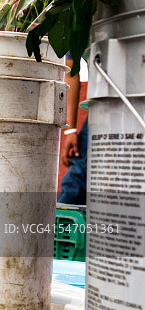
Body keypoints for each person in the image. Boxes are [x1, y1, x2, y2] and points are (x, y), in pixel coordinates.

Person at [58, 53, 87, 205]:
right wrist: (70, 130)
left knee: (77, 178)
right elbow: (71, 72)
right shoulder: (73, 29)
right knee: (79, 176)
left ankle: (55, 226)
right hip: (104, 105)